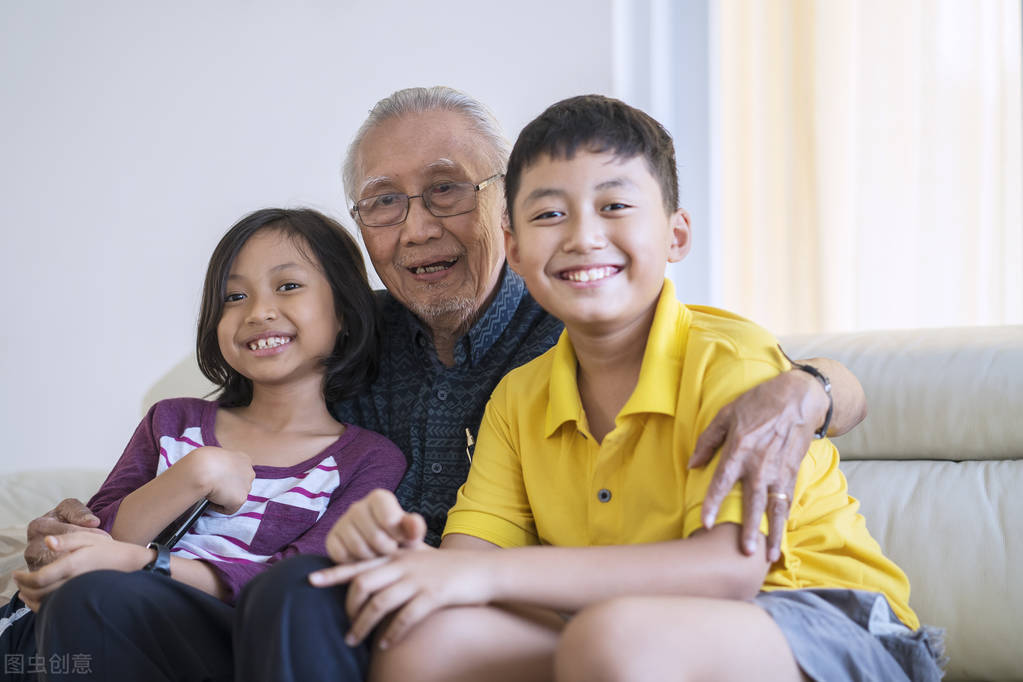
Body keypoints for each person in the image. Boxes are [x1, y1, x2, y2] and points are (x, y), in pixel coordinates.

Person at [9, 87, 867, 680]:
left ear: (501, 217)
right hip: (415, 596)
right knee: (121, 611)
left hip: (488, 603)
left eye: (446, 190)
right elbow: (241, 404)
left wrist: (813, 387)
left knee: (301, 598)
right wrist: (85, 532)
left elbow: (779, 386)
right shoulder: (349, 339)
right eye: (383, 203)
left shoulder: (565, 320)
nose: (417, 226)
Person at [311, 95, 945, 682]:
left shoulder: (728, 360)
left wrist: (484, 572)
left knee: (615, 638)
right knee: (426, 638)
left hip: (825, 623)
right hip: (629, 625)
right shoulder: (519, 397)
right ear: (516, 245)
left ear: (675, 234)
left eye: (614, 206)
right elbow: (468, 562)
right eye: (550, 214)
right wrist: (399, 545)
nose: (583, 235)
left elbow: (729, 569)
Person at [9, 208, 405, 680]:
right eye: (233, 296)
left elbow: (307, 583)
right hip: (112, 618)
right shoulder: (174, 421)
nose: (257, 312)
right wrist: (197, 473)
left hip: (240, 638)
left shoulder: (368, 459)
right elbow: (97, 537)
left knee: (91, 598)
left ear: (343, 310)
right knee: (83, 597)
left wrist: (146, 563)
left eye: (288, 286)